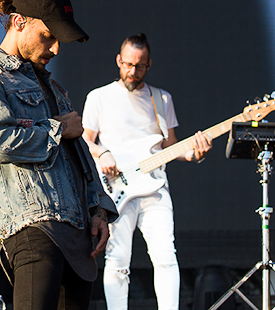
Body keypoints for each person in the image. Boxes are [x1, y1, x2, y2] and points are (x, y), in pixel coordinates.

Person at [0, 0, 118, 310]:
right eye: (49, 35)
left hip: (78, 236)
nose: (56, 48)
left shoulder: (53, 87)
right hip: (33, 229)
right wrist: (59, 128)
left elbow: (79, 157)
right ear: (19, 22)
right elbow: (0, 143)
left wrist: (98, 209)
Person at [81, 33, 213, 310]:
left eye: (139, 66)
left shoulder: (161, 99)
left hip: (155, 189)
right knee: (117, 261)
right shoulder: (99, 97)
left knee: (166, 258)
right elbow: (83, 140)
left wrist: (195, 154)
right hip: (115, 188)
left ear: (149, 64)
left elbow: (172, 146)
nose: (132, 71)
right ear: (119, 60)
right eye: (128, 64)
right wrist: (102, 153)